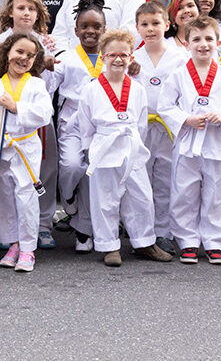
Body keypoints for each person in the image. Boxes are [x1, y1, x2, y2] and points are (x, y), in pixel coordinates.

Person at [78, 28, 172, 266]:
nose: (118, 59)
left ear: (131, 57)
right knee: (105, 199)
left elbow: (141, 124)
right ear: (102, 57)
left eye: (123, 55)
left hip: (131, 146)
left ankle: (145, 242)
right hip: (105, 146)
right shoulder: (90, 89)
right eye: (112, 55)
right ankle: (109, 246)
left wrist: (135, 145)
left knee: (141, 196)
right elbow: (86, 125)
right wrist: (92, 150)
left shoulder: (138, 89)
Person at [158, 17, 221, 265]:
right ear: (186, 43)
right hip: (188, 141)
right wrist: (185, 119)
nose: (203, 44)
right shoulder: (178, 75)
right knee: (184, 191)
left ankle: (216, 241)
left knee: (217, 191)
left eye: (208, 39)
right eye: (196, 39)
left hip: (216, 140)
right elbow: (165, 106)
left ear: (218, 42)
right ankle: (187, 240)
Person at [0, 33, 53, 273]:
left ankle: (29, 248)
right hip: (2, 147)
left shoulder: (36, 84)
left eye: (30, 55)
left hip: (26, 146)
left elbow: (44, 113)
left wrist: (16, 107)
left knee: (26, 196)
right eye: (19, 52)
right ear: (8, 52)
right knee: (4, 195)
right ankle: (13, 242)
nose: (24, 58)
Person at [47, 0, 107, 254]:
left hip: (102, 127)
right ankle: (68, 198)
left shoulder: (113, 58)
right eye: (85, 27)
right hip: (71, 124)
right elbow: (47, 88)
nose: (90, 31)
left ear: (104, 29)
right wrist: (45, 67)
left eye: (96, 26)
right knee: (72, 167)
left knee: (92, 175)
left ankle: (84, 231)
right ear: (76, 30)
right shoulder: (67, 58)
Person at [131, 0, 187, 256]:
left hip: (167, 128)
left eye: (156, 23)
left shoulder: (180, 57)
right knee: (141, 180)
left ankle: (163, 231)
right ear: (137, 28)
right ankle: (141, 230)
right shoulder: (132, 57)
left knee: (165, 179)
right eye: (145, 24)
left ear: (167, 24)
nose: (151, 29)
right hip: (141, 126)